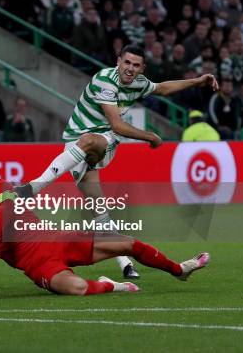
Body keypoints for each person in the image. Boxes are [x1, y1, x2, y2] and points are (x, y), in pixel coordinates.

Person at [16, 45, 218, 279]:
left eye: (136, 65)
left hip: (103, 139)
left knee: (91, 140)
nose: (130, 69)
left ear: (142, 68)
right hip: (74, 143)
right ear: (118, 61)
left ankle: (35, 186)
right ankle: (127, 263)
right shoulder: (104, 80)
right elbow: (119, 124)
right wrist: (150, 136)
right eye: (127, 63)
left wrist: (198, 81)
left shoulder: (139, 83)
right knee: (100, 212)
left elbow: (162, 88)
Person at [0, 162, 210, 297]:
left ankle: (180, 270)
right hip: (36, 265)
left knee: (127, 243)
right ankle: (111, 286)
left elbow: (6, 212)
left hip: (57, 239)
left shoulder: (1, 186)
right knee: (76, 289)